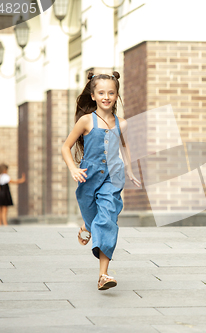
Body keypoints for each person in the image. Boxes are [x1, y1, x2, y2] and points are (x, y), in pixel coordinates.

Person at [61, 71, 141, 291]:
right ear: (93, 95)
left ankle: (103, 275)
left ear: (116, 95)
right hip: (88, 178)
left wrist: (130, 171)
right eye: (101, 92)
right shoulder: (85, 121)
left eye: (111, 93)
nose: (106, 96)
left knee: (107, 220)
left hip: (113, 178)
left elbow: (124, 147)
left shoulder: (122, 124)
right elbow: (65, 147)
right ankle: (87, 225)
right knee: (93, 217)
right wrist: (73, 168)